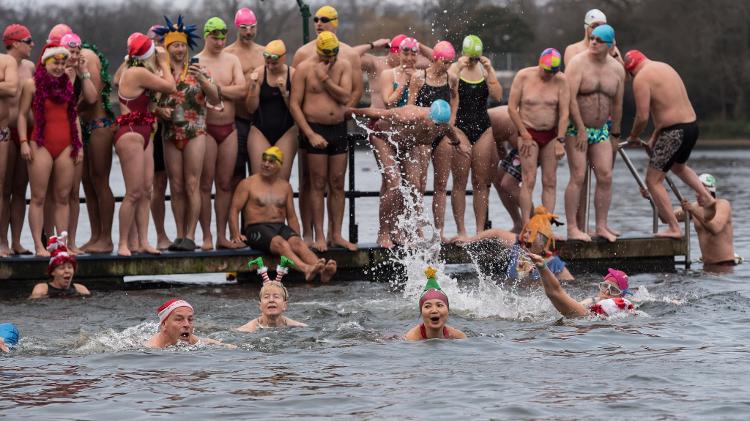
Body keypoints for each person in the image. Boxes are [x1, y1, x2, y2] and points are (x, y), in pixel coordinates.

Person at [624, 50, 717, 237]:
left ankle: (674, 228)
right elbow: (668, 106)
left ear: (630, 71)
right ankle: (706, 197)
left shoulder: (641, 78)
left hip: (674, 132)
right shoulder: (664, 67)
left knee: (652, 180)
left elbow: (642, 116)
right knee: (679, 166)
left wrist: (633, 136)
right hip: (691, 127)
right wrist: (656, 135)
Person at [292, 5, 363, 247]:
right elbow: (295, 103)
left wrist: (345, 110)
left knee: (337, 182)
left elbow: (352, 93)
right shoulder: (303, 60)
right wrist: (308, 133)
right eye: (316, 19)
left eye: (324, 19)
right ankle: (315, 234)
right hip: (314, 128)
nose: (318, 23)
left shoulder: (345, 60)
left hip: (338, 128)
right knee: (314, 182)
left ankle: (336, 234)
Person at [153, 16, 220, 252]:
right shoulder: (161, 71)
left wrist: (204, 80)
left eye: (182, 45)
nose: (179, 49)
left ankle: (192, 234)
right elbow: (151, 101)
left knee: (193, 184)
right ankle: (179, 235)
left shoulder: (199, 68)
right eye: (174, 45)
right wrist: (159, 110)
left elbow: (215, 98)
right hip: (170, 132)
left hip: (195, 130)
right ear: (167, 48)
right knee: (177, 185)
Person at [17, 45, 85, 256]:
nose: (59, 67)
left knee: (63, 197)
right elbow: (21, 115)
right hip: (40, 143)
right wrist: (23, 142)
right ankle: (39, 244)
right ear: (45, 62)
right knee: (38, 197)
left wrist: (79, 145)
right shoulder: (32, 84)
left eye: (62, 63)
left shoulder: (67, 85)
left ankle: (62, 245)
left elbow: (73, 116)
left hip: (66, 144)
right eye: (55, 62)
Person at [228, 146, 333, 282]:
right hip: (256, 229)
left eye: (271, 162)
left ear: (279, 166)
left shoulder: (285, 186)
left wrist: (298, 236)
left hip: (279, 227)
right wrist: (235, 234)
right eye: (264, 160)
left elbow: (291, 216)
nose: (266, 164)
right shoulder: (248, 184)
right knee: (281, 243)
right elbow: (234, 210)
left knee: (297, 243)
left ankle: (323, 270)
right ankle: (306, 269)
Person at [114, 32, 176, 256]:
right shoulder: (137, 72)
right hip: (130, 133)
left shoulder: (137, 70)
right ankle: (123, 243)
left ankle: (143, 241)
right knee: (133, 192)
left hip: (146, 131)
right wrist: (165, 62)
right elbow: (170, 86)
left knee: (147, 190)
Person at [564, 24, 624, 242]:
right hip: (575, 128)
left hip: (601, 131)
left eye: (599, 40)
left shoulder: (617, 69)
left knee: (606, 176)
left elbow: (617, 104)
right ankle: (573, 228)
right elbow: (569, 99)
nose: (594, 42)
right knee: (578, 176)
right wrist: (579, 128)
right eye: (592, 38)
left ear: (609, 45)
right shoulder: (578, 63)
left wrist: (615, 133)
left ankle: (601, 226)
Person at [195, 17, 247, 251]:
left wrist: (216, 89)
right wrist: (226, 91)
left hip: (229, 127)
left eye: (222, 37)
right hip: (205, 129)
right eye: (214, 36)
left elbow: (242, 91)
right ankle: (206, 236)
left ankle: (222, 236)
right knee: (205, 185)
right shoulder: (196, 61)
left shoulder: (232, 59)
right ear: (206, 36)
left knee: (225, 184)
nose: (218, 41)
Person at [448, 35, 503, 239]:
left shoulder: (484, 69)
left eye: (476, 58)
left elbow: (497, 95)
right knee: (460, 182)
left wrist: (489, 70)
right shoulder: (455, 69)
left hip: (483, 128)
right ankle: (461, 231)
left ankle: (480, 232)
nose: (473, 61)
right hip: (460, 127)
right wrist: (458, 67)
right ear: (463, 53)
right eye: (470, 57)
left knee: (481, 181)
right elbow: (450, 83)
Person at [507, 48, 569, 226]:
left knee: (550, 180)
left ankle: (545, 226)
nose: (549, 75)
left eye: (552, 72)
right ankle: (527, 224)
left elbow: (564, 113)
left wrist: (560, 140)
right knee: (529, 179)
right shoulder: (524, 76)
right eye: (546, 71)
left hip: (550, 134)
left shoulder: (561, 80)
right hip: (528, 132)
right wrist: (523, 133)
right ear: (540, 64)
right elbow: (512, 108)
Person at [453, 205, 573, 281]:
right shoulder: (518, 245)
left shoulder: (553, 263)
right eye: (525, 231)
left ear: (543, 242)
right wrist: (469, 240)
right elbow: (495, 233)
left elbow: (570, 285)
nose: (525, 235)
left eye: (530, 234)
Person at [77, 33, 117, 254]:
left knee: (100, 180)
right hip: (84, 125)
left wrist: (68, 110)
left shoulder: (87, 56)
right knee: (87, 182)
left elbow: (92, 95)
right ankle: (95, 236)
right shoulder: (74, 57)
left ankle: (107, 238)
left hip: (99, 123)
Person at [415, 41, 459, 243]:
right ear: (435, 58)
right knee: (420, 184)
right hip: (423, 136)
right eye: (446, 62)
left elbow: (455, 97)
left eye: (451, 62)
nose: (448, 66)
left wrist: (452, 121)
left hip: (442, 135)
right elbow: (410, 108)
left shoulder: (451, 78)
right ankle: (418, 230)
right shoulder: (419, 78)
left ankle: (439, 231)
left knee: (441, 184)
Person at [59, 33, 99, 254]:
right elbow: (62, 103)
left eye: (76, 52)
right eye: (70, 52)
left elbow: (92, 99)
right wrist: (70, 77)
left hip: (74, 134)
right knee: (57, 194)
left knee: (74, 193)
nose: (73, 56)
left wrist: (83, 74)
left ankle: (71, 242)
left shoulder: (78, 72)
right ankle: (53, 243)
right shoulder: (54, 72)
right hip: (54, 134)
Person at [245, 40, 297, 179]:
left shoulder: (293, 75)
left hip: (286, 131)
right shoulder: (260, 73)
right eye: (267, 63)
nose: (270, 66)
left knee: (281, 179)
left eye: (274, 63)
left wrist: (285, 94)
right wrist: (253, 88)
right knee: (259, 178)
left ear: (283, 58)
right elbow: (251, 109)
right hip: (260, 130)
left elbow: (296, 111)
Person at [224, 7, 265, 185]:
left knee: (260, 176)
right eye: (244, 27)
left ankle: (253, 214)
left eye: (252, 27)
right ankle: (234, 214)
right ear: (237, 27)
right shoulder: (227, 54)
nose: (249, 31)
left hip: (261, 121)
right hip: (237, 119)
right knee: (235, 176)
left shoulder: (265, 53)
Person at [1, 24, 31, 257]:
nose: (32, 45)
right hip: (5, 131)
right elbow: (10, 90)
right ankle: (2, 241)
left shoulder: (30, 67)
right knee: (3, 189)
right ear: (16, 43)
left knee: (20, 190)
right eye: (28, 41)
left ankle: (17, 241)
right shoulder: (3, 62)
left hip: (26, 134)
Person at [675, 174, 736, 271]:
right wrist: (651, 196)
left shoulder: (722, 205)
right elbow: (666, 218)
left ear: (709, 192)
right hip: (706, 267)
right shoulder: (694, 206)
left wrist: (693, 210)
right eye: (696, 190)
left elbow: (715, 228)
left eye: (699, 190)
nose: (696, 194)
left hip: (724, 266)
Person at [533, 260, 634, 318]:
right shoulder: (592, 301)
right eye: (604, 286)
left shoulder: (620, 308)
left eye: (614, 289)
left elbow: (556, 294)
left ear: (621, 295)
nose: (606, 292)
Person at [237, 260, 307, 332]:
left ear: (285, 305)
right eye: (266, 297)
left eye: (276, 296)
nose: (271, 300)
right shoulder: (246, 330)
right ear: (260, 305)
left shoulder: (299, 328)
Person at [405, 267, 466, 340]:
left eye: (439, 305)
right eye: (427, 306)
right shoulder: (411, 339)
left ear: (448, 311)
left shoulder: (458, 336)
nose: (434, 310)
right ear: (421, 312)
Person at [145, 298, 229, 348]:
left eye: (190, 319)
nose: (187, 324)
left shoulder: (193, 340)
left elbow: (215, 343)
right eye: (179, 319)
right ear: (164, 325)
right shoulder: (152, 348)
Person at [29, 232, 91, 299]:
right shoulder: (42, 289)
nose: (67, 271)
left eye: (70, 267)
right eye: (62, 268)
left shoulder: (80, 289)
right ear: (53, 272)